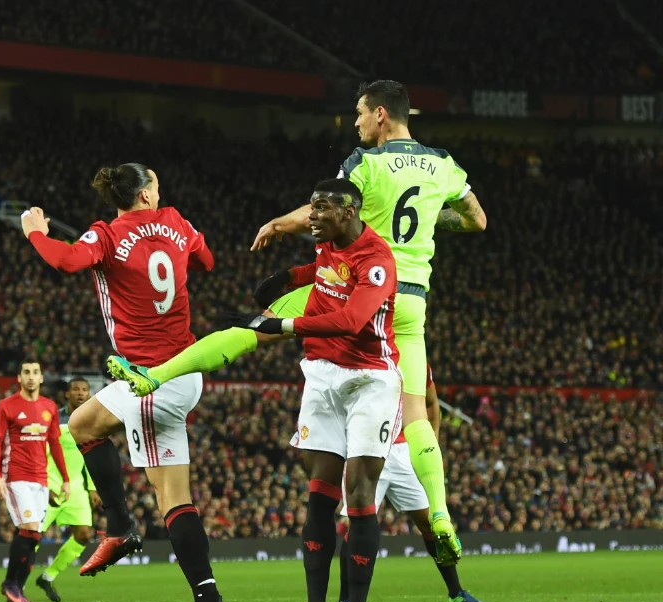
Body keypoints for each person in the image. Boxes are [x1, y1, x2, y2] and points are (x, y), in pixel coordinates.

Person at [113, 80, 486, 567]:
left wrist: (277, 223)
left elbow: (322, 209)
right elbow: (476, 220)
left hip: (350, 283)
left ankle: (156, 375)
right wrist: (436, 220)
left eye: (357, 114)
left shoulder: (364, 163)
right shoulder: (443, 162)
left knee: (253, 328)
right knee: (416, 414)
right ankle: (441, 515)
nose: (353, 123)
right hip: (409, 299)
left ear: (379, 114)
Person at [21, 163, 230, 602]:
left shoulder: (108, 234)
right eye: (156, 182)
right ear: (145, 193)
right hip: (184, 369)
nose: (162, 189)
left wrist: (34, 232)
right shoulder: (177, 221)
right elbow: (207, 261)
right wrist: (176, 239)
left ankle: (122, 529)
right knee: (107, 442)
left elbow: (68, 262)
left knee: (94, 435)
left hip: (150, 382)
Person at [219, 180, 400, 602]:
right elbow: (322, 272)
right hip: (321, 375)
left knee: (358, 492)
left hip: (369, 379)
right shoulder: (328, 245)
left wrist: (281, 325)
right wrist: (289, 277)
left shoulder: (377, 259)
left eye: (321, 209)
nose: (312, 215)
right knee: (319, 495)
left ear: (349, 211)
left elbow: (351, 320)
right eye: (311, 207)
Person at [335, 365, 487, 602]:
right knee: (355, 525)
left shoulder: (417, 361)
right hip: (368, 448)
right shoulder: (370, 354)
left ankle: (457, 594)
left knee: (431, 525)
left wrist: (430, 449)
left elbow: (432, 404)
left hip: (404, 452)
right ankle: (345, 601)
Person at [0, 360, 71, 602]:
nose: (31, 377)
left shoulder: (49, 407)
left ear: (42, 378)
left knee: (34, 536)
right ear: (19, 377)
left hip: (41, 479)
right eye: (26, 373)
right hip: (16, 476)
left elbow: (55, 443)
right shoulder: (7, 406)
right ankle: (9, 583)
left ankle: (17, 592)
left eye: (35, 373)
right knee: (31, 528)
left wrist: (65, 479)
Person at [34, 377, 100, 602]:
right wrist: (43, 484)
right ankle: (15, 583)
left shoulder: (91, 422)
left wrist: (92, 488)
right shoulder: (54, 419)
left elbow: (91, 456)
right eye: (76, 389)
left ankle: (47, 576)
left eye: (84, 390)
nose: (81, 393)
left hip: (76, 488)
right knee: (31, 536)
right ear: (67, 394)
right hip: (50, 485)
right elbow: (40, 452)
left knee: (84, 535)